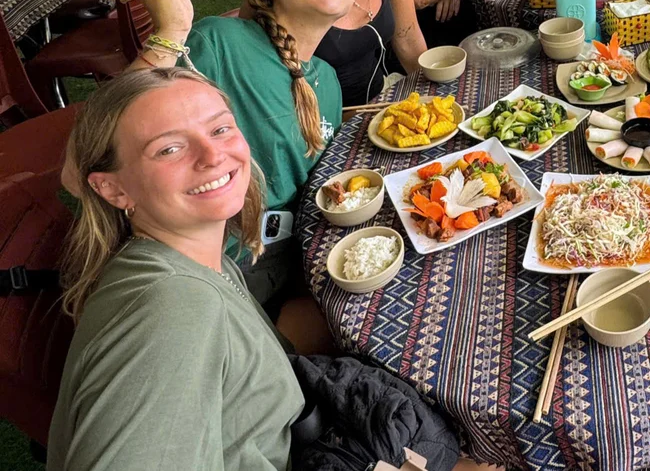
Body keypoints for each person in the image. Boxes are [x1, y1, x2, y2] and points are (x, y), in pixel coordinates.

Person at [51, 68, 491, 471]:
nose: (212, 155)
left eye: (220, 128)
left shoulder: (192, 257)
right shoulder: (169, 311)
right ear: (111, 187)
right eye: (168, 148)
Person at [119, 0, 351, 307]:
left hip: (300, 251)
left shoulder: (328, 80)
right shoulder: (220, 41)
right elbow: (106, 139)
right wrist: (170, 32)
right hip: (225, 266)